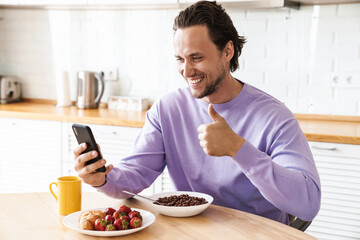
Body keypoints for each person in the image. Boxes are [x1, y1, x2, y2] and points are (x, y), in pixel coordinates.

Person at [74, 1, 321, 224]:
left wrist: (237, 148)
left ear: (227, 52)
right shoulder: (167, 109)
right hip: (193, 231)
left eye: (196, 58)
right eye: (180, 59)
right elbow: (136, 176)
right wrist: (102, 179)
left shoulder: (274, 116)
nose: (187, 70)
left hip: (256, 233)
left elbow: (308, 204)